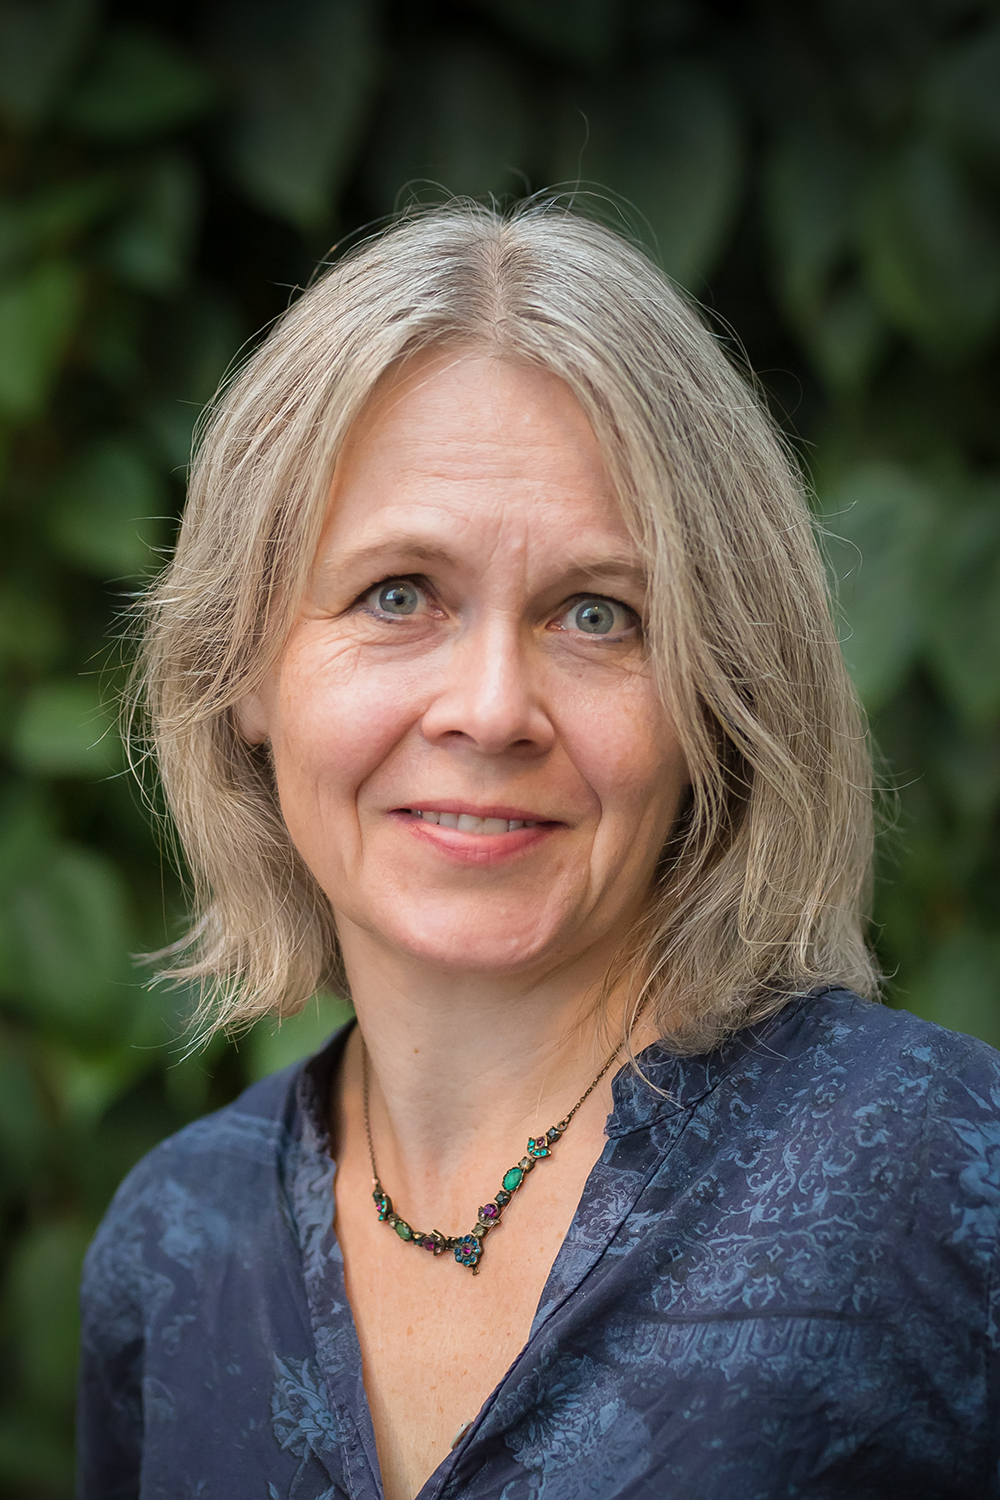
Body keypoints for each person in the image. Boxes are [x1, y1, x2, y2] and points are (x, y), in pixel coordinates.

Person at [78, 203, 1000, 1500]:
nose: (494, 706)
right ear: (244, 668)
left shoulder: (942, 1182)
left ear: (717, 695)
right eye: (399, 594)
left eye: (597, 614)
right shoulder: (173, 1251)